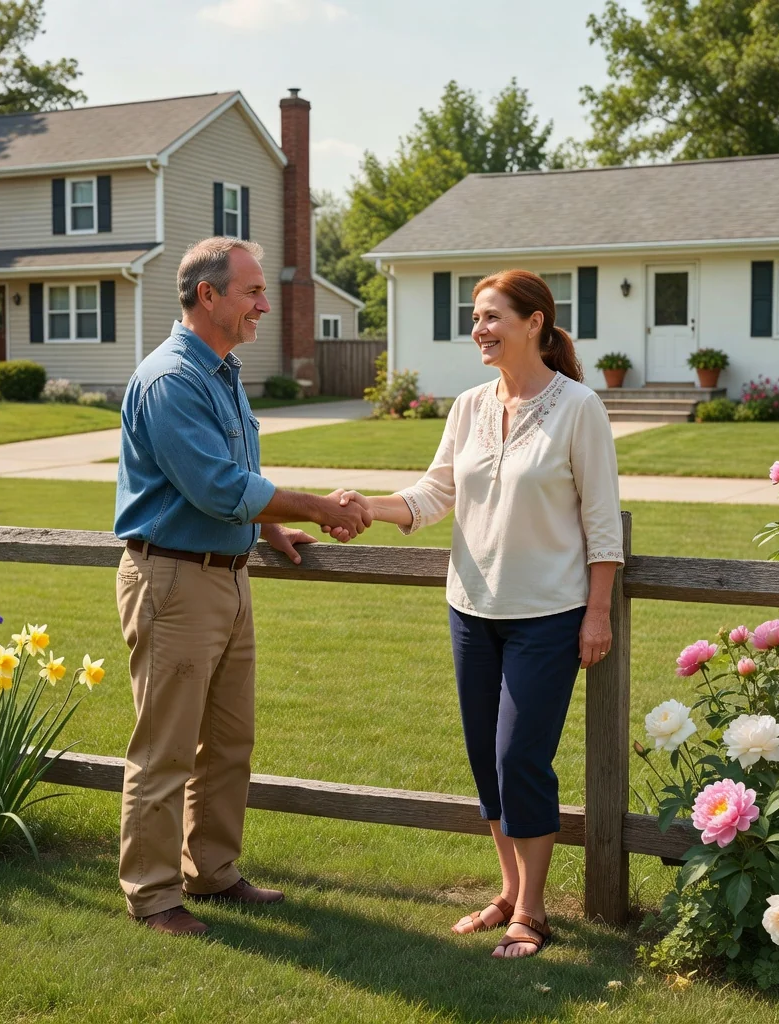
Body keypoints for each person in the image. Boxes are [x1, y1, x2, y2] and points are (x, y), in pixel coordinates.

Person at [334, 270, 623, 958]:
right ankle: (505, 892)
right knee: (484, 762)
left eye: (492, 316)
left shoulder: (579, 407)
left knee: (520, 756)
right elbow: (435, 494)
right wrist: (365, 508)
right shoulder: (466, 406)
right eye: (475, 317)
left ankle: (533, 910)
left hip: (549, 613)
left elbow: (602, 524)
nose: (479, 329)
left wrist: (598, 613)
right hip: (471, 608)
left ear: (535, 324)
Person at [114, 236, 371, 936]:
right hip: (173, 580)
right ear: (209, 296)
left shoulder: (220, 372)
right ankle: (154, 895)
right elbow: (217, 484)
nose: (265, 304)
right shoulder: (172, 378)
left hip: (226, 575)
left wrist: (266, 531)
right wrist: (317, 506)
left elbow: (223, 494)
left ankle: (213, 872)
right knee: (165, 747)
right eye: (254, 292)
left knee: (228, 742)